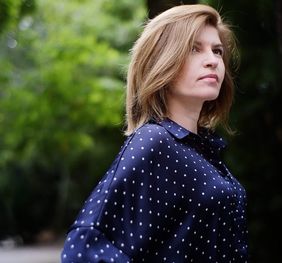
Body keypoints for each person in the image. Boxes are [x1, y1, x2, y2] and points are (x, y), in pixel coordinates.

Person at [61, 4, 248, 262]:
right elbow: (83, 249)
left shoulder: (204, 150)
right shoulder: (155, 141)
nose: (213, 60)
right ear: (163, 61)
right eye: (195, 49)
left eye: (217, 51)